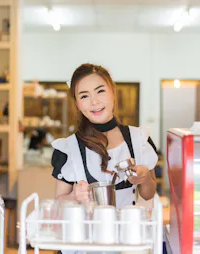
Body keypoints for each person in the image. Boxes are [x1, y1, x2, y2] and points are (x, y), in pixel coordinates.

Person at [51, 63, 158, 253]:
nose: (94, 101)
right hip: (83, 247)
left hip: (127, 244)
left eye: (100, 91)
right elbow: (59, 200)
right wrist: (75, 196)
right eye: (84, 96)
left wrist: (144, 178)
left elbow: (148, 193)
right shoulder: (68, 148)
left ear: (112, 92)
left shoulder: (139, 139)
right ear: (77, 104)